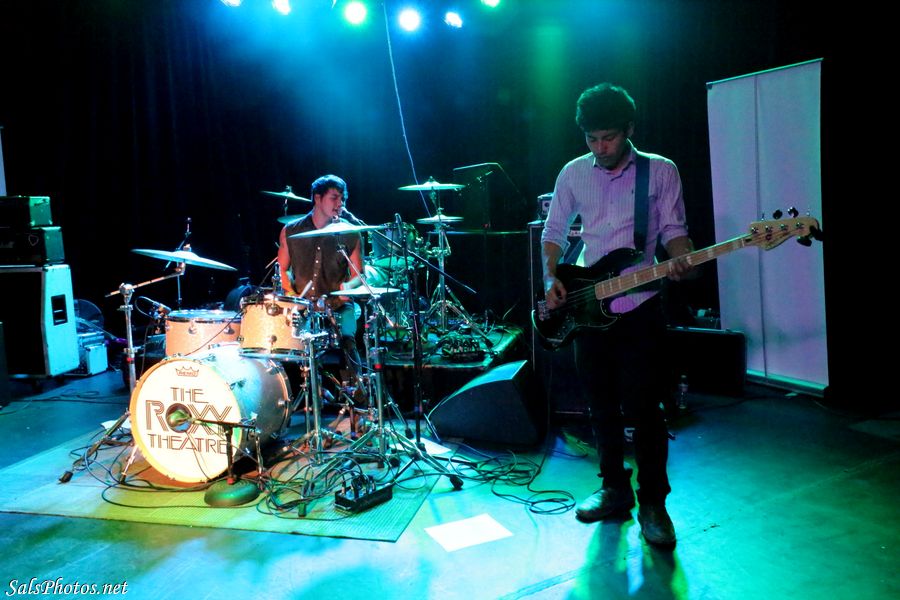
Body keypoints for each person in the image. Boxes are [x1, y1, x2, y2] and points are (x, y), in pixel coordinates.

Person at [541, 83, 695, 547]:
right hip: (589, 306)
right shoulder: (573, 173)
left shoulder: (660, 171)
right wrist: (551, 278)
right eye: (591, 138)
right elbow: (554, 231)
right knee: (600, 405)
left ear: (628, 129)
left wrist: (682, 259)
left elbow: (674, 230)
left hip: (640, 305)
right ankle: (614, 488)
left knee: (645, 408)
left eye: (608, 137)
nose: (600, 147)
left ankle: (654, 504)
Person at [277, 174, 365, 378]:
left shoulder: (350, 232)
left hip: (338, 305)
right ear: (317, 198)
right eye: (334, 198)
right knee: (287, 342)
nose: (340, 203)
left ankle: (356, 389)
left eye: (343, 199)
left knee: (348, 339)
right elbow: (282, 270)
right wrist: (291, 295)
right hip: (303, 305)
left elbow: (358, 274)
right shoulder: (290, 231)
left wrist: (349, 288)